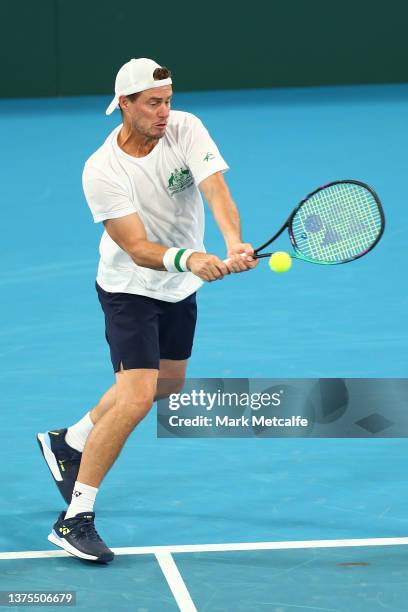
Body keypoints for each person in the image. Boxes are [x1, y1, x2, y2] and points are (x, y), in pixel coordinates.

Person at [37, 58, 258, 564]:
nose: (165, 111)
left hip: (180, 289)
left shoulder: (185, 128)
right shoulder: (102, 170)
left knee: (168, 386)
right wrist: (191, 258)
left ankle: (69, 441)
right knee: (136, 398)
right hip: (130, 290)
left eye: (168, 100)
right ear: (125, 106)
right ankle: (75, 518)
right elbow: (135, 246)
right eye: (153, 103)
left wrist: (232, 241)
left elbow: (215, 189)